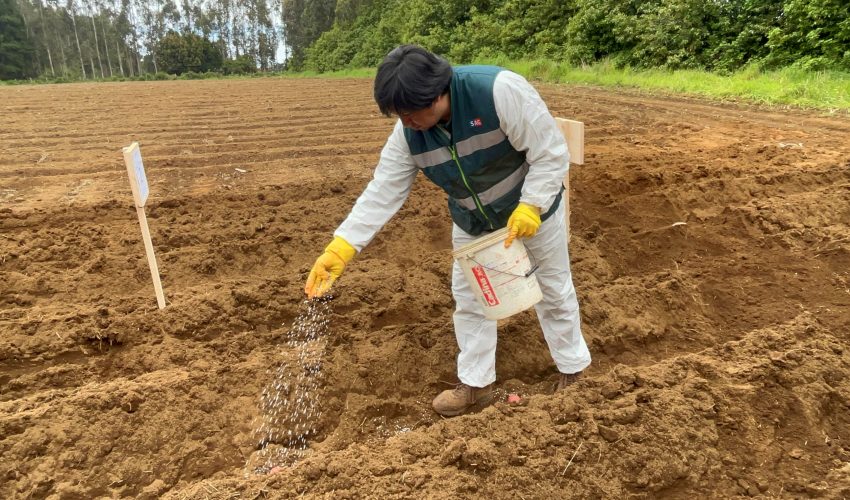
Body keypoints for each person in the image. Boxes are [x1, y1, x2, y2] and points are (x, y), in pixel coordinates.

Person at [305, 45, 591, 417]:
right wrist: (341, 247)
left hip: (532, 212)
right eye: (399, 115)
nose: (406, 122)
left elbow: (550, 151)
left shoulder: (499, 91)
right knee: (472, 301)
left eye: (411, 113)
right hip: (473, 222)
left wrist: (532, 204)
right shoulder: (408, 133)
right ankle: (476, 385)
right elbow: (383, 189)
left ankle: (574, 371)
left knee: (553, 290)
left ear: (438, 93)